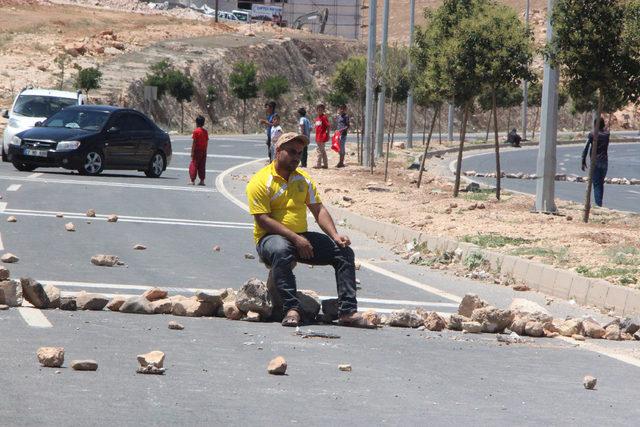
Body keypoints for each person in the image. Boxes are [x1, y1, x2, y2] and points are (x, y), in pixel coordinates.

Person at [246, 132, 375, 329]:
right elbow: (262, 219)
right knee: (281, 249)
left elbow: (318, 209)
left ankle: (347, 311)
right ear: (278, 151)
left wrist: (335, 235)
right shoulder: (261, 180)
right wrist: (296, 239)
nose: (296, 157)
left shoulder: (303, 179)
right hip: (270, 239)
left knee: (343, 252)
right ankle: (292, 309)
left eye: (299, 153)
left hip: (300, 238)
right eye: (291, 152)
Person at [582, 117, 610, 207]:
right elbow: (605, 130)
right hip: (605, 162)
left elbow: (586, 147)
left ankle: (598, 205)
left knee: (597, 184)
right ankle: (599, 203)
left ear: (595, 125)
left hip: (595, 161)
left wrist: (583, 160)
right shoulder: (607, 134)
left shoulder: (592, 134)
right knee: (600, 183)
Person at [189, 115, 208, 186]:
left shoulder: (196, 131)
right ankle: (202, 180)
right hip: (203, 151)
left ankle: (192, 180)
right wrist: (205, 151)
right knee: (202, 166)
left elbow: (194, 142)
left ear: (197, 123)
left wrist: (192, 152)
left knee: (194, 165)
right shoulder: (205, 132)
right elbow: (206, 142)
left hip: (197, 151)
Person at [313, 103, 329, 169]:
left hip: (322, 137)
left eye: (321, 110)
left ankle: (318, 164)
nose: (320, 111)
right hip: (318, 137)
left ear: (323, 110)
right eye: (318, 110)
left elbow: (328, 126)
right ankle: (325, 164)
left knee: (319, 151)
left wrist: (327, 135)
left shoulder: (324, 118)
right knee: (322, 151)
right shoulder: (317, 118)